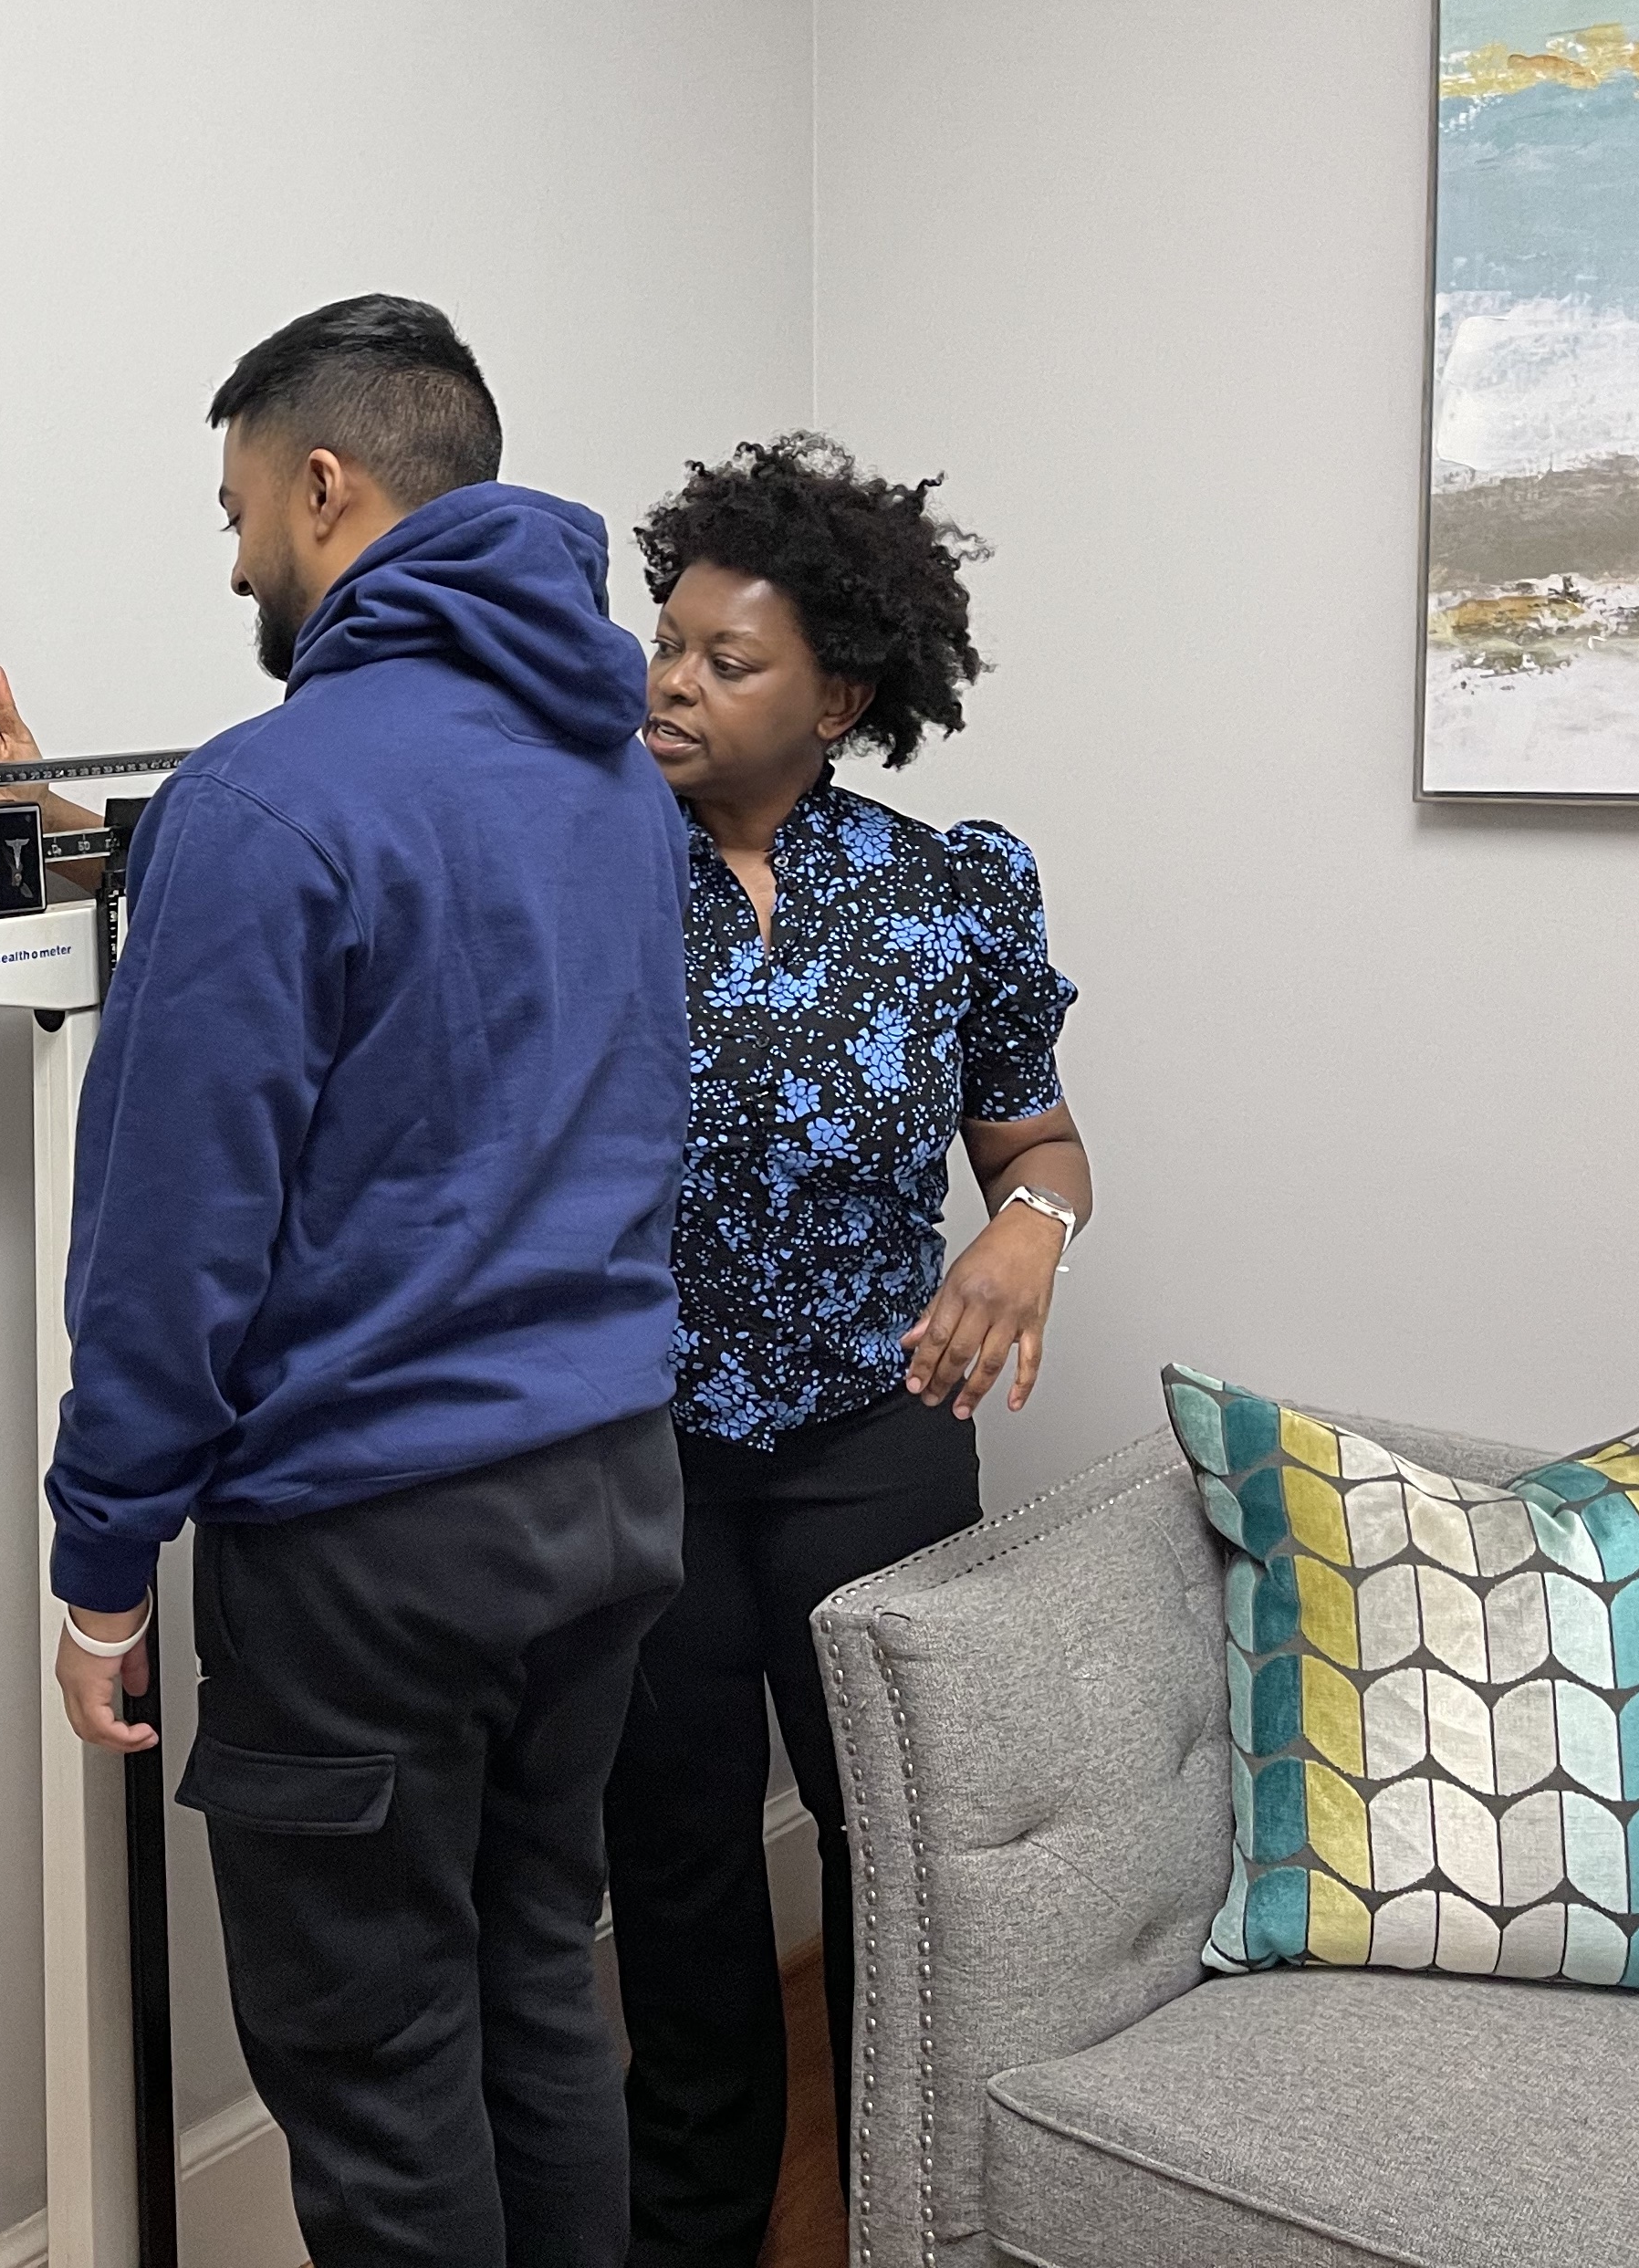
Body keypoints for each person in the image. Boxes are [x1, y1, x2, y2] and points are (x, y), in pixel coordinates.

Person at [0, 296, 698, 2268]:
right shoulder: (607, 772)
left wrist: (98, 1569)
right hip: (608, 1495)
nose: (235, 551)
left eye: (240, 503)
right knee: (531, 1982)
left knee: (378, 2063)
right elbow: (425, 962)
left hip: (375, 1551)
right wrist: (87, 843)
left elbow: (172, 1252)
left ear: (325, 483)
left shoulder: (277, 799)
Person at [599, 433, 1092, 2268]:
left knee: (901, 1863)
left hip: (870, 1451)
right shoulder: (572, 865)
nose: (674, 677)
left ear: (842, 698)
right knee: (676, 1873)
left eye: (729, 660)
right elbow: (338, 861)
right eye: (669, 639)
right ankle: (699, 2232)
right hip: (626, 1457)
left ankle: (909, 2217)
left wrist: (1027, 1238)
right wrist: (77, 836)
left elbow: (1035, 1143)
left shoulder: (946, 893)